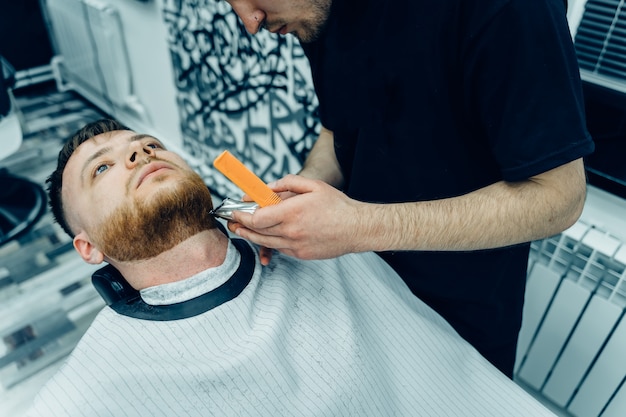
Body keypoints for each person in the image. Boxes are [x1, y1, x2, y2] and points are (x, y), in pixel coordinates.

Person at [26, 119, 557, 416]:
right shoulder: (89, 390)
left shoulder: (319, 247)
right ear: (88, 248)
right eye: (103, 168)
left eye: (147, 145)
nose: (139, 155)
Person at [221, 0, 595, 376]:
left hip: (453, 329)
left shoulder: (507, 9)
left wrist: (357, 226)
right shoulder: (317, 12)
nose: (250, 21)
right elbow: (340, 131)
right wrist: (303, 194)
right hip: (360, 296)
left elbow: (559, 197)